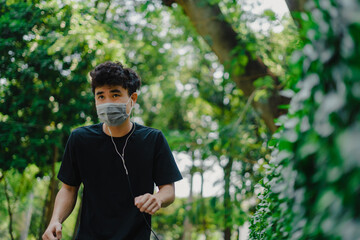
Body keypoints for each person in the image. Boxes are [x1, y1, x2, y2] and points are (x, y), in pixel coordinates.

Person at [42, 61, 183, 240]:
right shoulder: (80, 139)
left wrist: (157, 199)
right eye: (100, 96)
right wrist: (55, 220)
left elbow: (168, 190)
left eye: (115, 94)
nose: (107, 102)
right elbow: (69, 189)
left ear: (132, 99)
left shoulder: (153, 139)